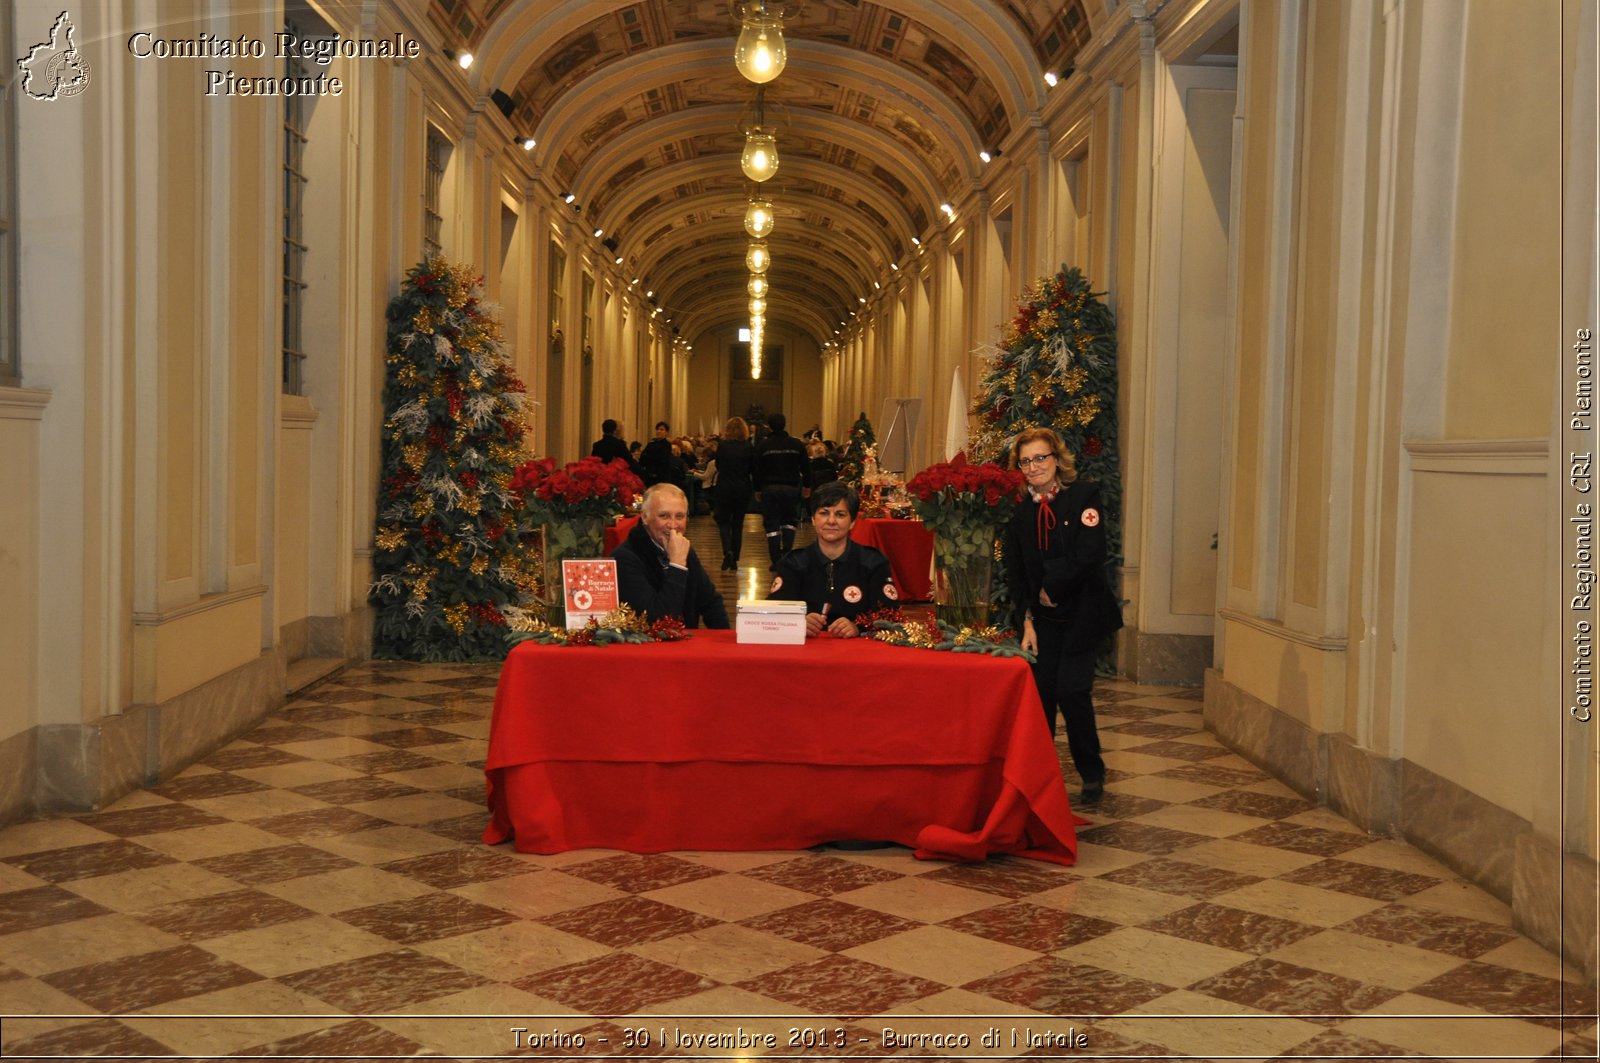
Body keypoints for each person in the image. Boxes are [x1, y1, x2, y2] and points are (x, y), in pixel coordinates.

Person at [1005, 427, 1123, 805]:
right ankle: (1039, 779)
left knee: (1073, 694)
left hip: (1083, 614)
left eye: (1040, 458)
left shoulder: (1083, 497)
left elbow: (1090, 554)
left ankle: (1092, 774)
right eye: (1026, 461)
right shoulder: (1020, 511)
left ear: (1056, 459)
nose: (1034, 467)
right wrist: (1025, 618)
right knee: (1039, 700)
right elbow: (1016, 570)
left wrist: (1051, 587)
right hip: (1041, 622)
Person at [769, 482, 896, 638]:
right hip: (806, 654)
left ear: (853, 522)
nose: (831, 521)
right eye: (824, 513)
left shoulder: (873, 562)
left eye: (840, 514)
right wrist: (797, 622)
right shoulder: (793, 563)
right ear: (814, 519)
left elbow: (891, 616)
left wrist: (858, 627)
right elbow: (772, 613)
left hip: (857, 655)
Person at [613, 483, 729, 629]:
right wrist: (677, 566)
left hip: (685, 644)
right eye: (664, 516)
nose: (673, 525)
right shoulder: (624, 559)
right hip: (648, 646)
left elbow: (711, 602)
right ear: (645, 517)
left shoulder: (683, 549)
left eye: (679, 516)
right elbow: (657, 622)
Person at [754, 411, 809, 567]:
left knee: (772, 525)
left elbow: (757, 470)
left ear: (770, 427)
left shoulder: (763, 446)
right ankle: (787, 554)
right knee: (789, 522)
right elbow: (806, 467)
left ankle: (776, 559)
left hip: (770, 489)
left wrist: (757, 489)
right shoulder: (797, 444)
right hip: (791, 488)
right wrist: (807, 486)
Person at [711, 416, 756, 570]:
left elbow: (718, 465)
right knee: (738, 524)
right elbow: (752, 468)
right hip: (742, 488)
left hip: (724, 487)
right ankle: (735, 557)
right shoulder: (748, 447)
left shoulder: (723, 446)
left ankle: (727, 551)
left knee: (723, 522)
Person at [639, 421, 675, 486]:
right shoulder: (651, 443)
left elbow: (662, 459)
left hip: (660, 476)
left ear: (666, 433)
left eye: (661, 429)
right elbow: (643, 456)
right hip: (649, 474)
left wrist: (649, 456)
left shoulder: (666, 445)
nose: (658, 431)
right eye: (657, 429)